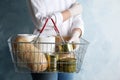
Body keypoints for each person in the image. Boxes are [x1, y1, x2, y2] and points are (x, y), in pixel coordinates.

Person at [26, 0, 84, 80]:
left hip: (66, 50)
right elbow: (41, 22)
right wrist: (70, 12)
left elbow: (77, 17)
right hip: (44, 50)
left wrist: (76, 34)